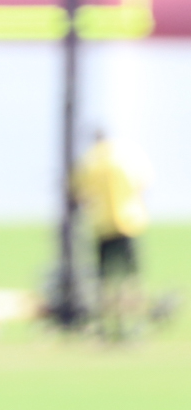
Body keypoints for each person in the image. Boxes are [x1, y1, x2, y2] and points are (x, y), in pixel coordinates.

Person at [73, 130, 151, 336]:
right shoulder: (126, 157)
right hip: (128, 222)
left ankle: (106, 325)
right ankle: (135, 324)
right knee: (131, 278)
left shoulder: (89, 161)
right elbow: (143, 183)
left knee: (105, 280)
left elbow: (79, 193)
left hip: (102, 225)